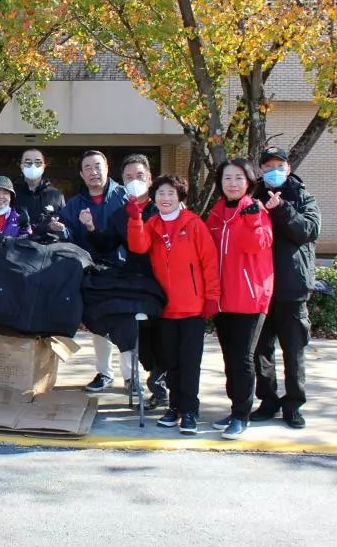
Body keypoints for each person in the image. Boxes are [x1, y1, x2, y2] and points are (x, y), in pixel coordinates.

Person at [128, 174, 220, 436]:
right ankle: (175, 407)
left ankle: (189, 410)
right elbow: (138, 246)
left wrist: (212, 297)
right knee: (170, 361)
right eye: (160, 193)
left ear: (179, 196)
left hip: (192, 307)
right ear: (153, 198)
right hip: (165, 307)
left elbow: (209, 263)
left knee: (190, 362)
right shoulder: (153, 223)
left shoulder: (193, 223)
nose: (165, 198)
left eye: (170, 193)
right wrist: (135, 218)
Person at [88, 154, 167, 408]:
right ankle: (153, 381)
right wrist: (91, 228)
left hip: (167, 282)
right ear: (122, 182)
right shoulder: (121, 214)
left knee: (166, 339)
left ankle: (164, 387)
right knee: (142, 341)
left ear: (150, 178)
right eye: (129, 178)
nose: (135, 181)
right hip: (139, 285)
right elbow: (106, 244)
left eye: (140, 176)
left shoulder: (163, 207)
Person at [252, 146, 321, 429]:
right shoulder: (252, 196)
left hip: (292, 289)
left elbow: (307, 230)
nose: (273, 171)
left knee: (293, 352)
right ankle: (267, 401)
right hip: (259, 290)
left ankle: (294, 404)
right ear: (260, 171)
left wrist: (281, 209)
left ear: (288, 167)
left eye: (278, 165)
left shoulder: (303, 196)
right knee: (261, 351)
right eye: (267, 167)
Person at [207, 159, 275, 440]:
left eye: (238, 178)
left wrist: (249, 217)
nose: (232, 183)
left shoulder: (255, 209)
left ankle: (241, 415)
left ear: (248, 181)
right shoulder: (217, 212)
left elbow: (257, 244)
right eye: (227, 178)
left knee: (243, 358)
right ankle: (234, 406)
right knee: (229, 357)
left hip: (250, 297)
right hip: (223, 298)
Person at [59, 149, 130, 393]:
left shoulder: (123, 196)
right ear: (81, 173)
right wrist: (60, 228)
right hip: (92, 273)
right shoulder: (75, 204)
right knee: (99, 323)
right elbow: (67, 235)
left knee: (126, 323)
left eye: (98, 166)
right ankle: (104, 373)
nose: (93, 171)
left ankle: (131, 378)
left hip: (124, 270)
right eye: (87, 167)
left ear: (107, 168)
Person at [13, 148, 65, 230]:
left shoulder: (55, 195)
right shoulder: (11, 193)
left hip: (48, 242)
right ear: (21, 166)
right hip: (17, 241)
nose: (33, 166)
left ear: (44, 166)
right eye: (28, 162)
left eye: (38, 162)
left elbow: (64, 225)